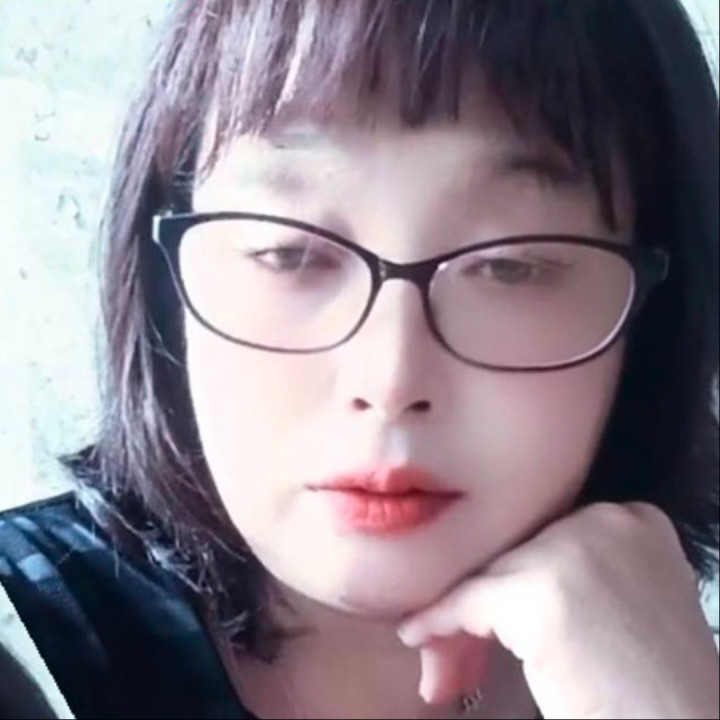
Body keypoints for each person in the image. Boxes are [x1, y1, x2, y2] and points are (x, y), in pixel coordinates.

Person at [1, 0, 718, 717]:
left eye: (511, 266)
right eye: (287, 252)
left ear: (653, 316)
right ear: (166, 288)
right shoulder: (29, 645)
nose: (390, 379)